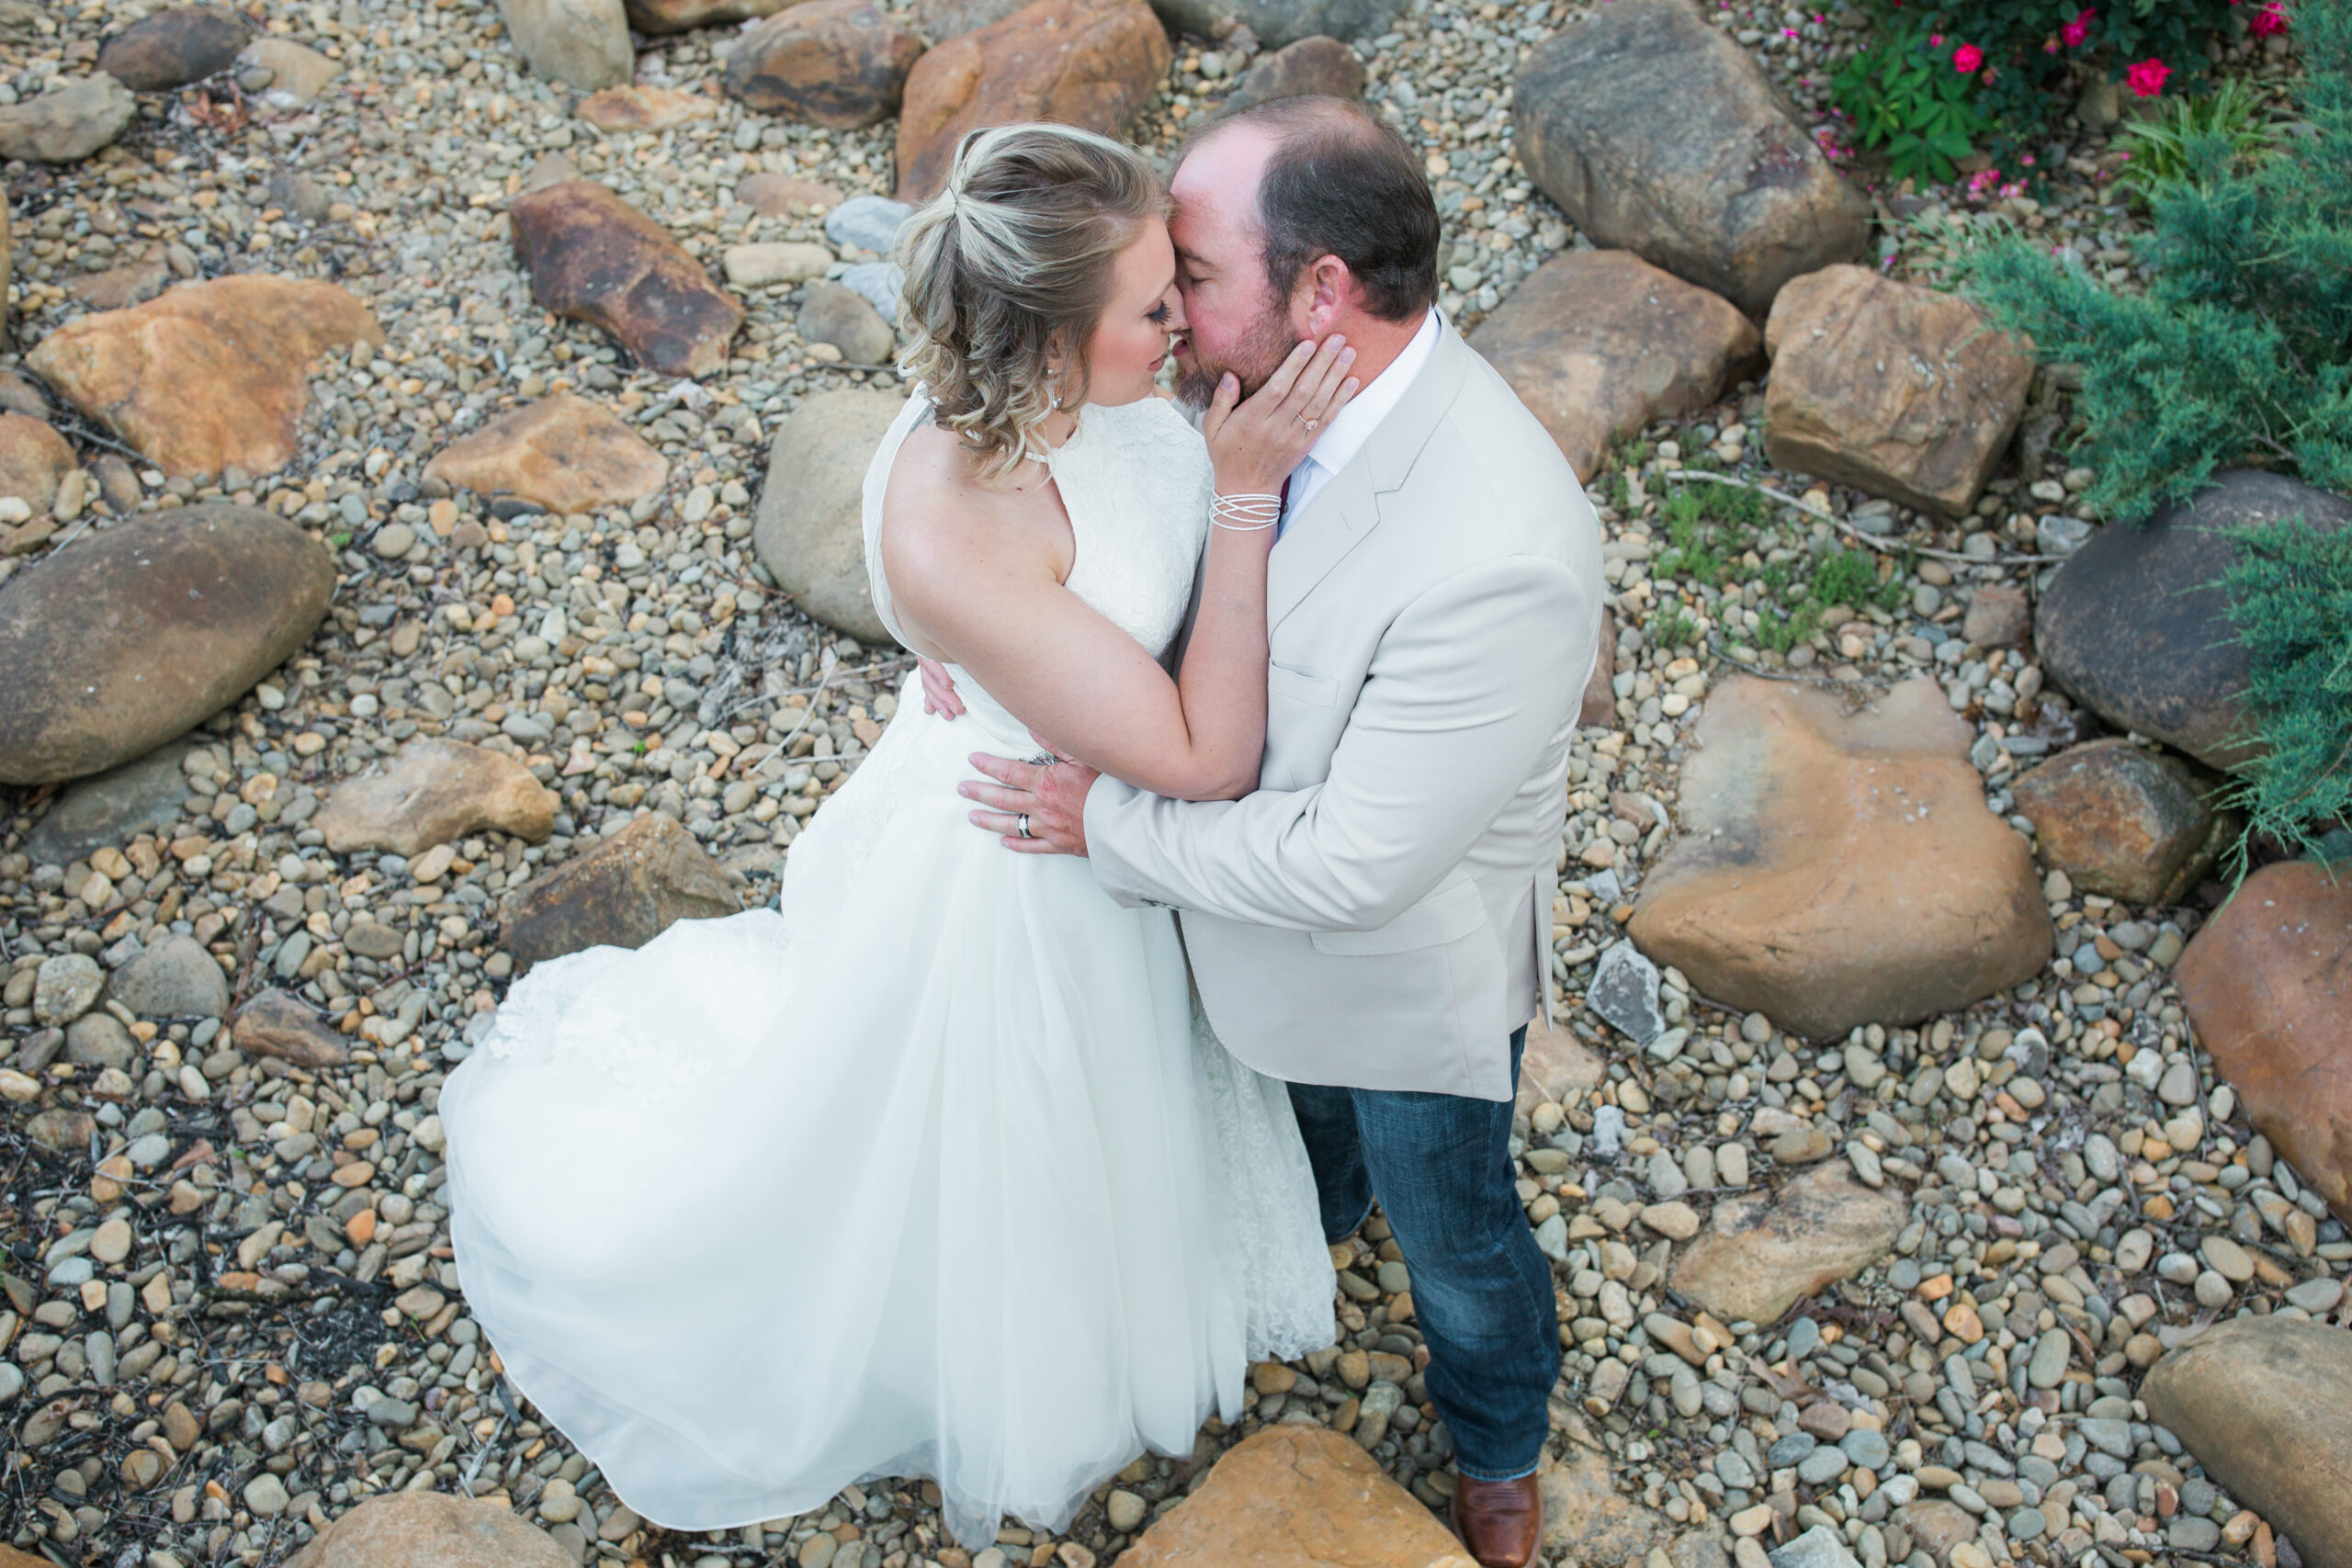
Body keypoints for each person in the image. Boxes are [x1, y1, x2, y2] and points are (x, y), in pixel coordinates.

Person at [438, 123, 1359, 1552]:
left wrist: (1001, 659)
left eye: (1178, 286)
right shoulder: (959, 527)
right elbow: (1200, 753)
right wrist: (1241, 498)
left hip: (1052, 780)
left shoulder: (1056, 397)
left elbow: (1082, 586)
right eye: (1153, 309)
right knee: (1018, 1150)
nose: (1183, 328)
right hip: (1029, 870)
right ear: (1051, 346)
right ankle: (1030, 1356)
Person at [943, 96, 1607, 1568]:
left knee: (1461, 1242)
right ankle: (1304, 1235)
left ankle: (1497, 1443)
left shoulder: (1502, 552)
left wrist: (1105, 827)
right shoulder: (1254, 387)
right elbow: (1089, 525)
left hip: (1395, 983)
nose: (1167, 311)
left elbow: (1354, 868)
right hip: (1236, 946)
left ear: (1321, 290)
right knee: (1295, 1144)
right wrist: (999, 629)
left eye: (1191, 272)